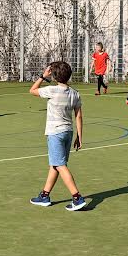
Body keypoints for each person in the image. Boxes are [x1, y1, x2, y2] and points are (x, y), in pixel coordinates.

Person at [28, 61, 88, 211]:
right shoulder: (75, 93)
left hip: (55, 132)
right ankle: (44, 195)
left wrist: (43, 76)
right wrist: (79, 136)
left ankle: (77, 198)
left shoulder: (52, 90)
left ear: (54, 76)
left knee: (60, 165)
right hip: (68, 132)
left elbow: (32, 90)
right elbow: (79, 116)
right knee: (56, 164)